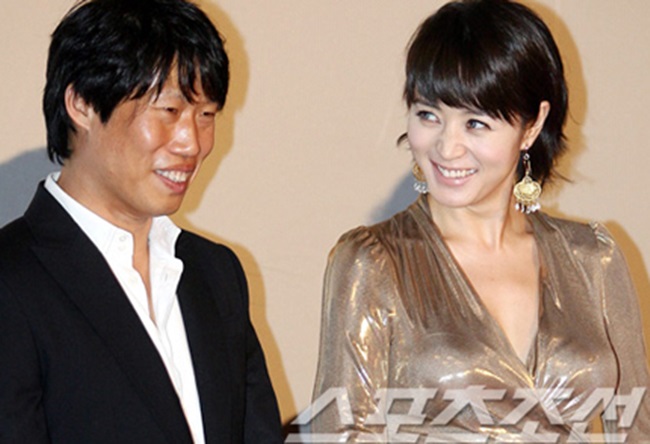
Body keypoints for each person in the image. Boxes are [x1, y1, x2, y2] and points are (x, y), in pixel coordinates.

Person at [311, 0, 650, 441]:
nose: (446, 147)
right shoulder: (373, 263)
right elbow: (340, 432)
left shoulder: (594, 260)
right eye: (428, 115)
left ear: (532, 126)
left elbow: (637, 426)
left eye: (475, 123)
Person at [0, 0, 283, 442]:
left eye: (206, 115)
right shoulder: (11, 281)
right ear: (82, 103)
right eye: (169, 111)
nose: (192, 143)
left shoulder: (216, 273)